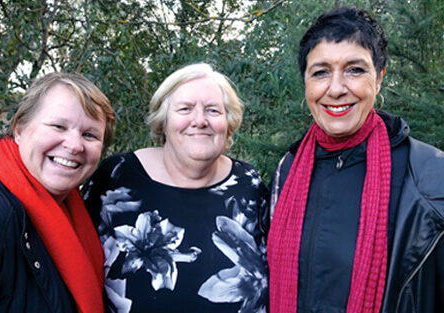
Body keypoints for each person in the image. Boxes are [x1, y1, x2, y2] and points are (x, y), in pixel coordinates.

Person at [268, 6, 444, 313]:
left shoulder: (430, 176)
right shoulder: (287, 172)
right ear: (306, 83)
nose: (336, 89)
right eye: (321, 72)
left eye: (355, 70)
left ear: (379, 80)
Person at [82, 63, 269, 313]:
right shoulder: (116, 177)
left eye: (213, 110)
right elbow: (74, 266)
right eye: (185, 109)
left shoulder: (248, 184)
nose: (200, 120)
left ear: (228, 123)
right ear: (163, 121)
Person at [0, 72, 116, 313]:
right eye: (58, 126)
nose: (75, 145)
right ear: (19, 128)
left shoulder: (76, 208)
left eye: (89, 135)